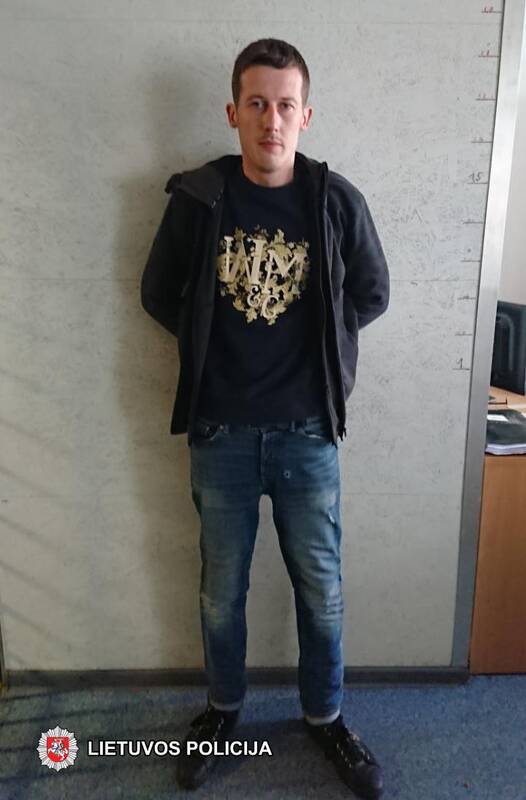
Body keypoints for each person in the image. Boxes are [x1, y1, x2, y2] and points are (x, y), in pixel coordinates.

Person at [141, 38, 389, 799]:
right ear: (233, 113)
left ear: (305, 116)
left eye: (285, 105)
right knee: (221, 590)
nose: (270, 120)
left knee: (322, 588)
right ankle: (224, 711)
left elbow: (372, 293)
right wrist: (211, 351)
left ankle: (326, 716)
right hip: (220, 433)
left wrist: (321, 359)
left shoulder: (335, 200)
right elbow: (158, 293)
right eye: (256, 104)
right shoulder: (200, 199)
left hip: (308, 432)